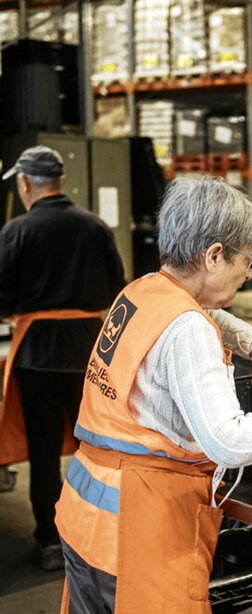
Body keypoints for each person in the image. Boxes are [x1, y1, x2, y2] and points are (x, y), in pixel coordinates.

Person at [54, 176, 252, 613]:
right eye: (248, 261)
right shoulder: (187, 330)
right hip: (140, 532)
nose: (250, 274)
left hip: (89, 514)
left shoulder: (143, 291)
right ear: (215, 255)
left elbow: (205, 313)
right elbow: (230, 441)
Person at [0, 146, 126, 571]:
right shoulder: (95, 227)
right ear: (60, 180)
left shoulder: (16, 231)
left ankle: (50, 543)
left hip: (37, 354)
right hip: (92, 350)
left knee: (43, 450)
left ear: (24, 183)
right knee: (98, 446)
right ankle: (101, 531)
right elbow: (116, 287)